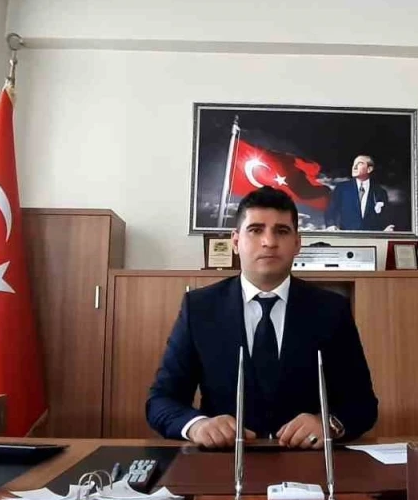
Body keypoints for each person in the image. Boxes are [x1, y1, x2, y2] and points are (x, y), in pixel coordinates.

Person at [146, 186, 378, 448]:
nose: (269, 241)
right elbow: (161, 400)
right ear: (235, 242)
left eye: (282, 231)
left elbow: (363, 405)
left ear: (297, 243)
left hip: (307, 462)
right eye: (256, 230)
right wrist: (197, 425)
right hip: (223, 460)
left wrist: (329, 424)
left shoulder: (331, 310)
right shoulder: (199, 308)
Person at [325, 155, 394, 231]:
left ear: (369, 169)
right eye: (354, 164)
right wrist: (331, 225)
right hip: (348, 235)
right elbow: (331, 210)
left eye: (359, 163)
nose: (354, 167)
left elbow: (386, 216)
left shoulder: (380, 192)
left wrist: (387, 227)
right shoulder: (342, 188)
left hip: (371, 236)